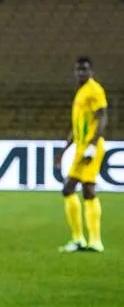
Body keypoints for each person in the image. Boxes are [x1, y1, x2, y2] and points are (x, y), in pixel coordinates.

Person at [56, 56, 108, 253]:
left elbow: (103, 117)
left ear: (91, 71)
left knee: (88, 189)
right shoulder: (81, 92)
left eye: (84, 70)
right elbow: (76, 126)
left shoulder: (95, 90)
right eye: (78, 70)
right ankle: (78, 240)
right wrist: (64, 149)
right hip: (79, 147)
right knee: (69, 189)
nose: (80, 73)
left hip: (90, 147)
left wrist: (93, 146)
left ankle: (95, 241)